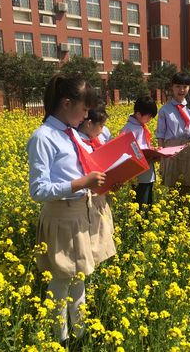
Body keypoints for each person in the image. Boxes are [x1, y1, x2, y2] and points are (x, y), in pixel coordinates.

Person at [26, 74, 116, 346]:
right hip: (62, 218)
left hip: (81, 213)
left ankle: (78, 335)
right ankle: (59, 340)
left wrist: (105, 181)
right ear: (67, 103)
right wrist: (80, 183)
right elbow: (37, 190)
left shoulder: (71, 135)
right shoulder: (44, 137)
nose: (87, 115)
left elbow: (84, 171)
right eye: (84, 109)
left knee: (79, 277)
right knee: (60, 282)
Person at [155, 72, 190, 194]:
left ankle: (186, 211)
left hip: (188, 149)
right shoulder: (165, 110)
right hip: (171, 150)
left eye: (185, 87)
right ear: (172, 87)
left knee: (187, 186)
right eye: (178, 86)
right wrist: (162, 160)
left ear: (189, 88)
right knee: (172, 186)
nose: (181, 90)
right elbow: (160, 135)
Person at [120, 96, 158, 208]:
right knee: (141, 204)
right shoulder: (129, 129)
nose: (150, 119)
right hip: (139, 173)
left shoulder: (140, 127)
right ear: (138, 114)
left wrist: (153, 150)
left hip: (148, 170)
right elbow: (127, 152)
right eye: (149, 116)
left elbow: (143, 146)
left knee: (148, 203)